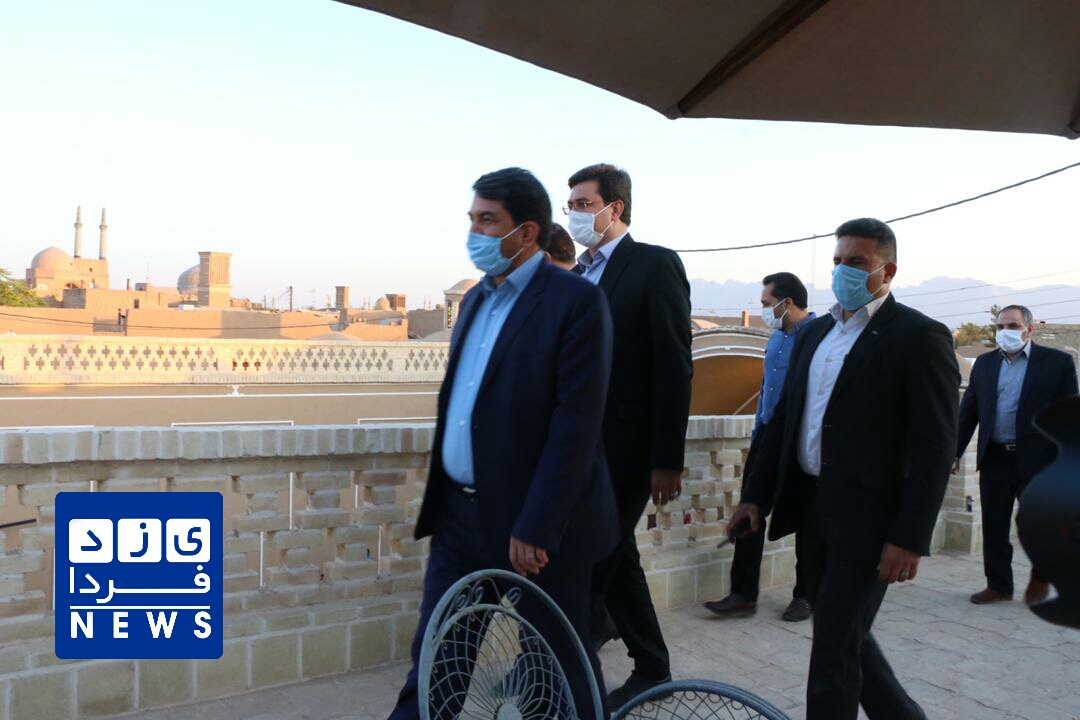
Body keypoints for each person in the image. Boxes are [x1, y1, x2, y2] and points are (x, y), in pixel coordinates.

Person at [387, 167, 619, 720]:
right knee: (438, 658)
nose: (475, 232)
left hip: (535, 530)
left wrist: (536, 525)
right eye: (472, 219)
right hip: (460, 519)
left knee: (559, 666)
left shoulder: (574, 302)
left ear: (527, 232)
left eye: (487, 220)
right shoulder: (473, 302)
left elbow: (575, 425)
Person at [730, 218, 959, 720]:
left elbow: (934, 447)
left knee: (834, 646)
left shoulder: (918, 336)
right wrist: (755, 496)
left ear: (887, 270)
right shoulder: (814, 334)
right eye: (838, 261)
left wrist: (910, 537)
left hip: (871, 521)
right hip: (814, 510)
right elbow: (784, 421)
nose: (843, 272)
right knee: (845, 632)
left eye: (856, 262)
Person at [566, 163, 693, 705]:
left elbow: (674, 365)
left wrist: (666, 458)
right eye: (571, 205)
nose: (574, 214)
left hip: (627, 449)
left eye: (583, 203)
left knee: (595, 556)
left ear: (614, 208)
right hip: (578, 447)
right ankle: (651, 664)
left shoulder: (653, 265)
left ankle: (558, 671)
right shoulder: (578, 275)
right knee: (616, 555)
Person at [704, 272, 817, 622]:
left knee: (806, 518)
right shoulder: (776, 338)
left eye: (767, 304)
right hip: (767, 435)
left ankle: (806, 595)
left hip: (799, 439)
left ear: (787, 302)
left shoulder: (817, 337)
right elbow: (767, 389)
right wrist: (757, 432)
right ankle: (743, 594)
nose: (764, 310)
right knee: (749, 510)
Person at [955, 304, 1078, 606]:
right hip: (995, 457)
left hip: (1039, 459)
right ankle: (998, 585)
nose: (1005, 332)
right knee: (994, 524)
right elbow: (968, 412)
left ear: (1029, 329)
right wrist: (953, 453)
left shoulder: (1057, 363)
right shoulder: (985, 364)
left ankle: (1040, 577)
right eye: (1000, 327)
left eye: (1012, 326)